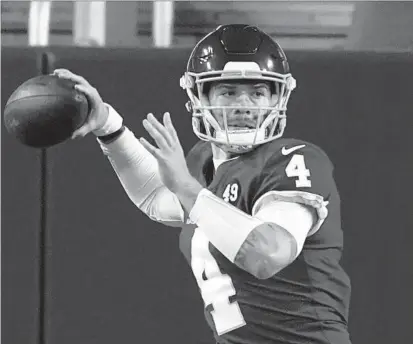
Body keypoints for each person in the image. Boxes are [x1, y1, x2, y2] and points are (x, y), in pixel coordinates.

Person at [54, 24, 352, 344]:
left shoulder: (294, 159)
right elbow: (157, 196)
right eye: (228, 92)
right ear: (200, 97)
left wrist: (186, 187)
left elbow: (267, 255)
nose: (244, 104)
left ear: (276, 98)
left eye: (257, 92)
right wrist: (108, 126)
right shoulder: (203, 163)